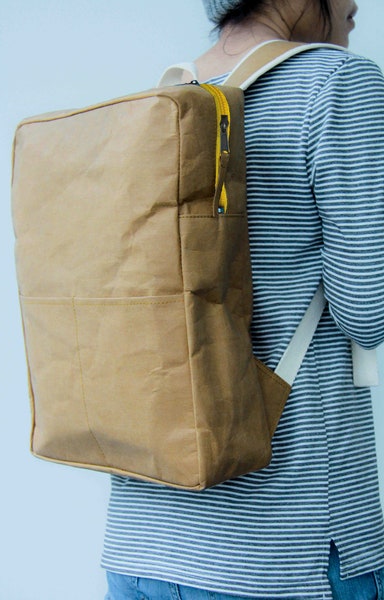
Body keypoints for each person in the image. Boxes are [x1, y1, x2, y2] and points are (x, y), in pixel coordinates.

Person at [103, 1, 384, 598]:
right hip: (280, 553)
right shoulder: (341, 83)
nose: (357, 3)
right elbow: (369, 309)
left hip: (142, 542)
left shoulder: (164, 98)